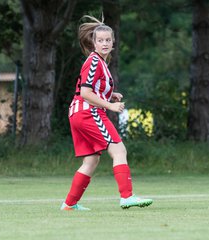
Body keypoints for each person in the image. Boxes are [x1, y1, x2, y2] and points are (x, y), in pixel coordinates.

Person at [61, 15, 153, 211]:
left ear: (113, 43)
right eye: (100, 40)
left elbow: (90, 90)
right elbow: (85, 93)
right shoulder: (94, 62)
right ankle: (127, 197)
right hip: (88, 112)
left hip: (78, 113)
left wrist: (110, 96)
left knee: (91, 160)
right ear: (93, 43)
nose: (105, 43)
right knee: (119, 150)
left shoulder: (100, 62)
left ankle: (69, 204)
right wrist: (109, 106)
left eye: (108, 40)